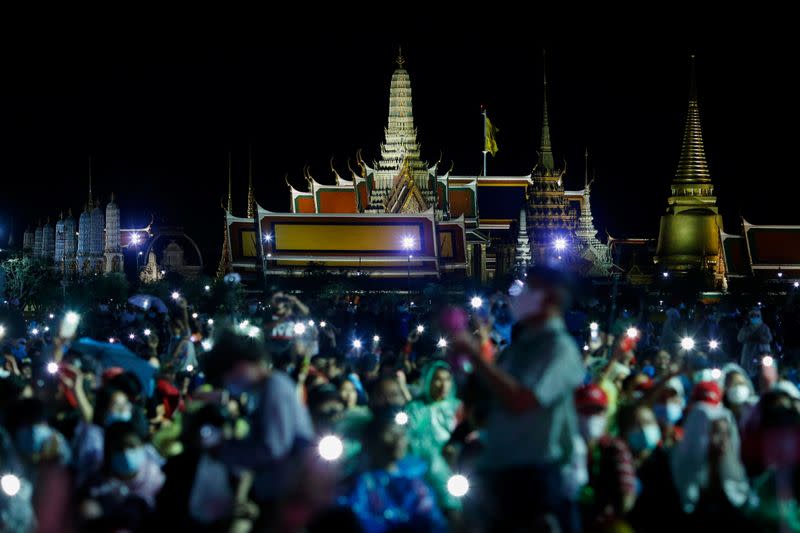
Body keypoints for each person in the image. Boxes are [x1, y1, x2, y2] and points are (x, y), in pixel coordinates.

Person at [452, 265, 584, 532]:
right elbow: (486, 398)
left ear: (552, 297)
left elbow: (522, 401)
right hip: (499, 470)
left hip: (536, 477)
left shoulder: (560, 349)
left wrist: (476, 356)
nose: (519, 296)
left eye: (529, 289)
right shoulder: (519, 348)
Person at [341, 414, 447, 533]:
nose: (399, 438)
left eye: (401, 432)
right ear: (370, 440)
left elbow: (432, 520)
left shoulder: (416, 474)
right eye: (390, 432)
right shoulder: (358, 484)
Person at [574, 384, 637, 531]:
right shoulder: (564, 448)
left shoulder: (614, 448)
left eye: (598, 411)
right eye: (585, 410)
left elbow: (626, 492)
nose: (591, 417)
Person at [737, 308, 773, 376]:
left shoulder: (764, 327)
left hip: (762, 352)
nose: (755, 317)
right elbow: (739, 338)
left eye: (757, 315)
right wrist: (748, 338)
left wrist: (760, 339)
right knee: (748, 370)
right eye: (753, 315)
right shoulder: (746, 328)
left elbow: (769, 338)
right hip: (749, 353)